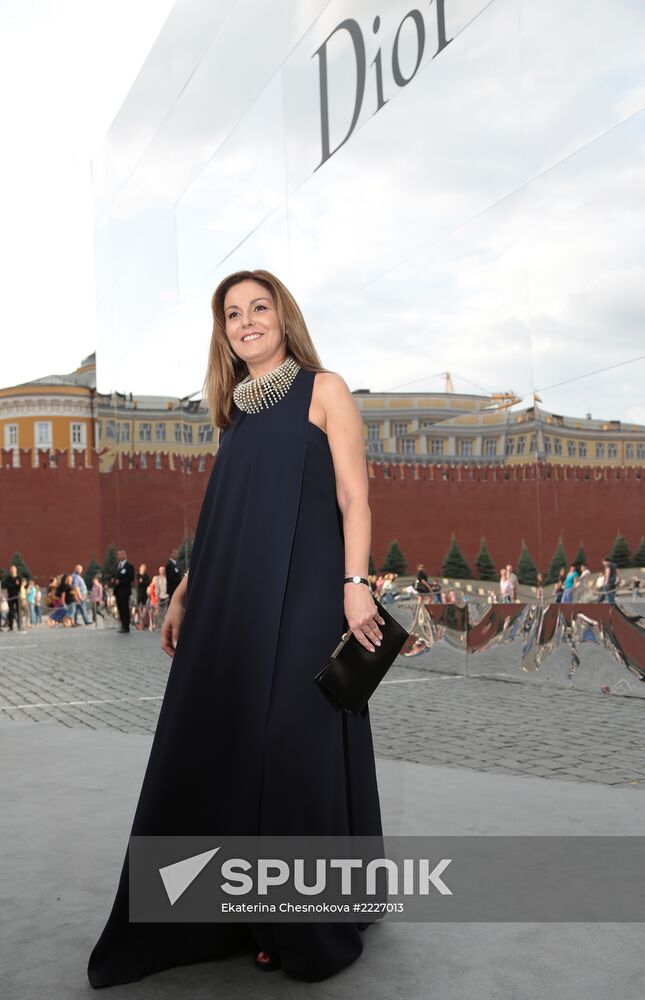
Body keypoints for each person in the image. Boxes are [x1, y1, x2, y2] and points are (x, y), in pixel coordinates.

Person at [87, 268, 386, 987]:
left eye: (260, 308)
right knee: (235, 743)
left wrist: (355, 587)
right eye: (232, 314)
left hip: (312, 594)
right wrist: (186, 593)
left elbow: (354, 495)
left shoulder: (325, 389)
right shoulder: (238, 416)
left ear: (284, 317)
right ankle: (250, 915)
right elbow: (224, 524)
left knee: (289, 742)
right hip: (237, 603)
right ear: (222, 331)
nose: (246, 321)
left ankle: (304, 922)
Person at [110, 549, 135, 632]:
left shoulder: (129, 566)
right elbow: (113, 575)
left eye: (121, 554)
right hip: (117, 591)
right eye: (119, 554)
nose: (120, 556)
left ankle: (126, 626)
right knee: (120, 608)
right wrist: (113, 580)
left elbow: (131, 578)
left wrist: (120, 581)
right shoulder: (117, 566)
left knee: (125, 608)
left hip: (125, 591)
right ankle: (122, 625)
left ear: (125, 555)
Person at [2, 565, 22, 631]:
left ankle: (19, 625)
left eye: (14, 569)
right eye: (11, 569)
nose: (13, 570)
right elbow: (7, 586)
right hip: (10, 596)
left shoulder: (19, 577)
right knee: (10, 611)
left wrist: (14, 585)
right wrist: (15, 585)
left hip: (17, 596)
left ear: (16, 570)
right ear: (10, 570)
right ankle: (11, 626)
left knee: (19, 611)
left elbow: (19, 587)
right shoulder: (8, 578)